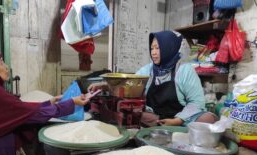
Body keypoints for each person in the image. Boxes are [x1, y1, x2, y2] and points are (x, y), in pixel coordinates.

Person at [89, 30, 218, 127]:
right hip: (157, 118)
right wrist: (104, 86)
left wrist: (177, 121)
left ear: (169, 48)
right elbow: (129, 84)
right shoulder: (148, 70)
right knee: (129, 114)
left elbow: (196, 102)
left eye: (158, 48)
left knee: (208, 119)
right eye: (152, 48)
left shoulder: (184, 70)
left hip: (184, 119)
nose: (154, 52)